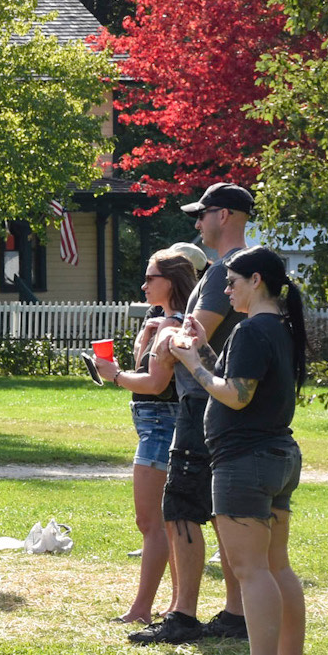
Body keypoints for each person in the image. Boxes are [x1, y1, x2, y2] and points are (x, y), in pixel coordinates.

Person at [170, 246, 311, 655]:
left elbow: (235, 395)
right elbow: (236, 380)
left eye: (232, 281)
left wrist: (190, 362)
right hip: (276, 457)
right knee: (276, 566)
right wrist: (205, 349)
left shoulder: (253, 330)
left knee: (252, 570)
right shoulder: (277, 329)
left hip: (245, 461)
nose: (225, 288)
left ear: (257, 281)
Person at [124, 184, 254, 646]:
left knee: (181, 508)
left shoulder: (226, 270)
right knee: (223, 511)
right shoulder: (239, 267)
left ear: (224, 215)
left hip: (201, 404)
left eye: (203, 215)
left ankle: (183, 616)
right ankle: (235, 615)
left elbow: (194, 336)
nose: (197, 224)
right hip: (218, 403)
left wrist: (169, 336)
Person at [90, 247, 199, 624]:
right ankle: (172, 605)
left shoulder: (171, 325)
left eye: (151, 277)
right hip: (163, 423)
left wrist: (113, 375)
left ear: (171, 281)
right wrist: (139, 347)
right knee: (165, 522)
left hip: (159, 426)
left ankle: (141, 609)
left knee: (151, 522)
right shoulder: (168, 321)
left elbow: (154, 383)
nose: (144, 284)